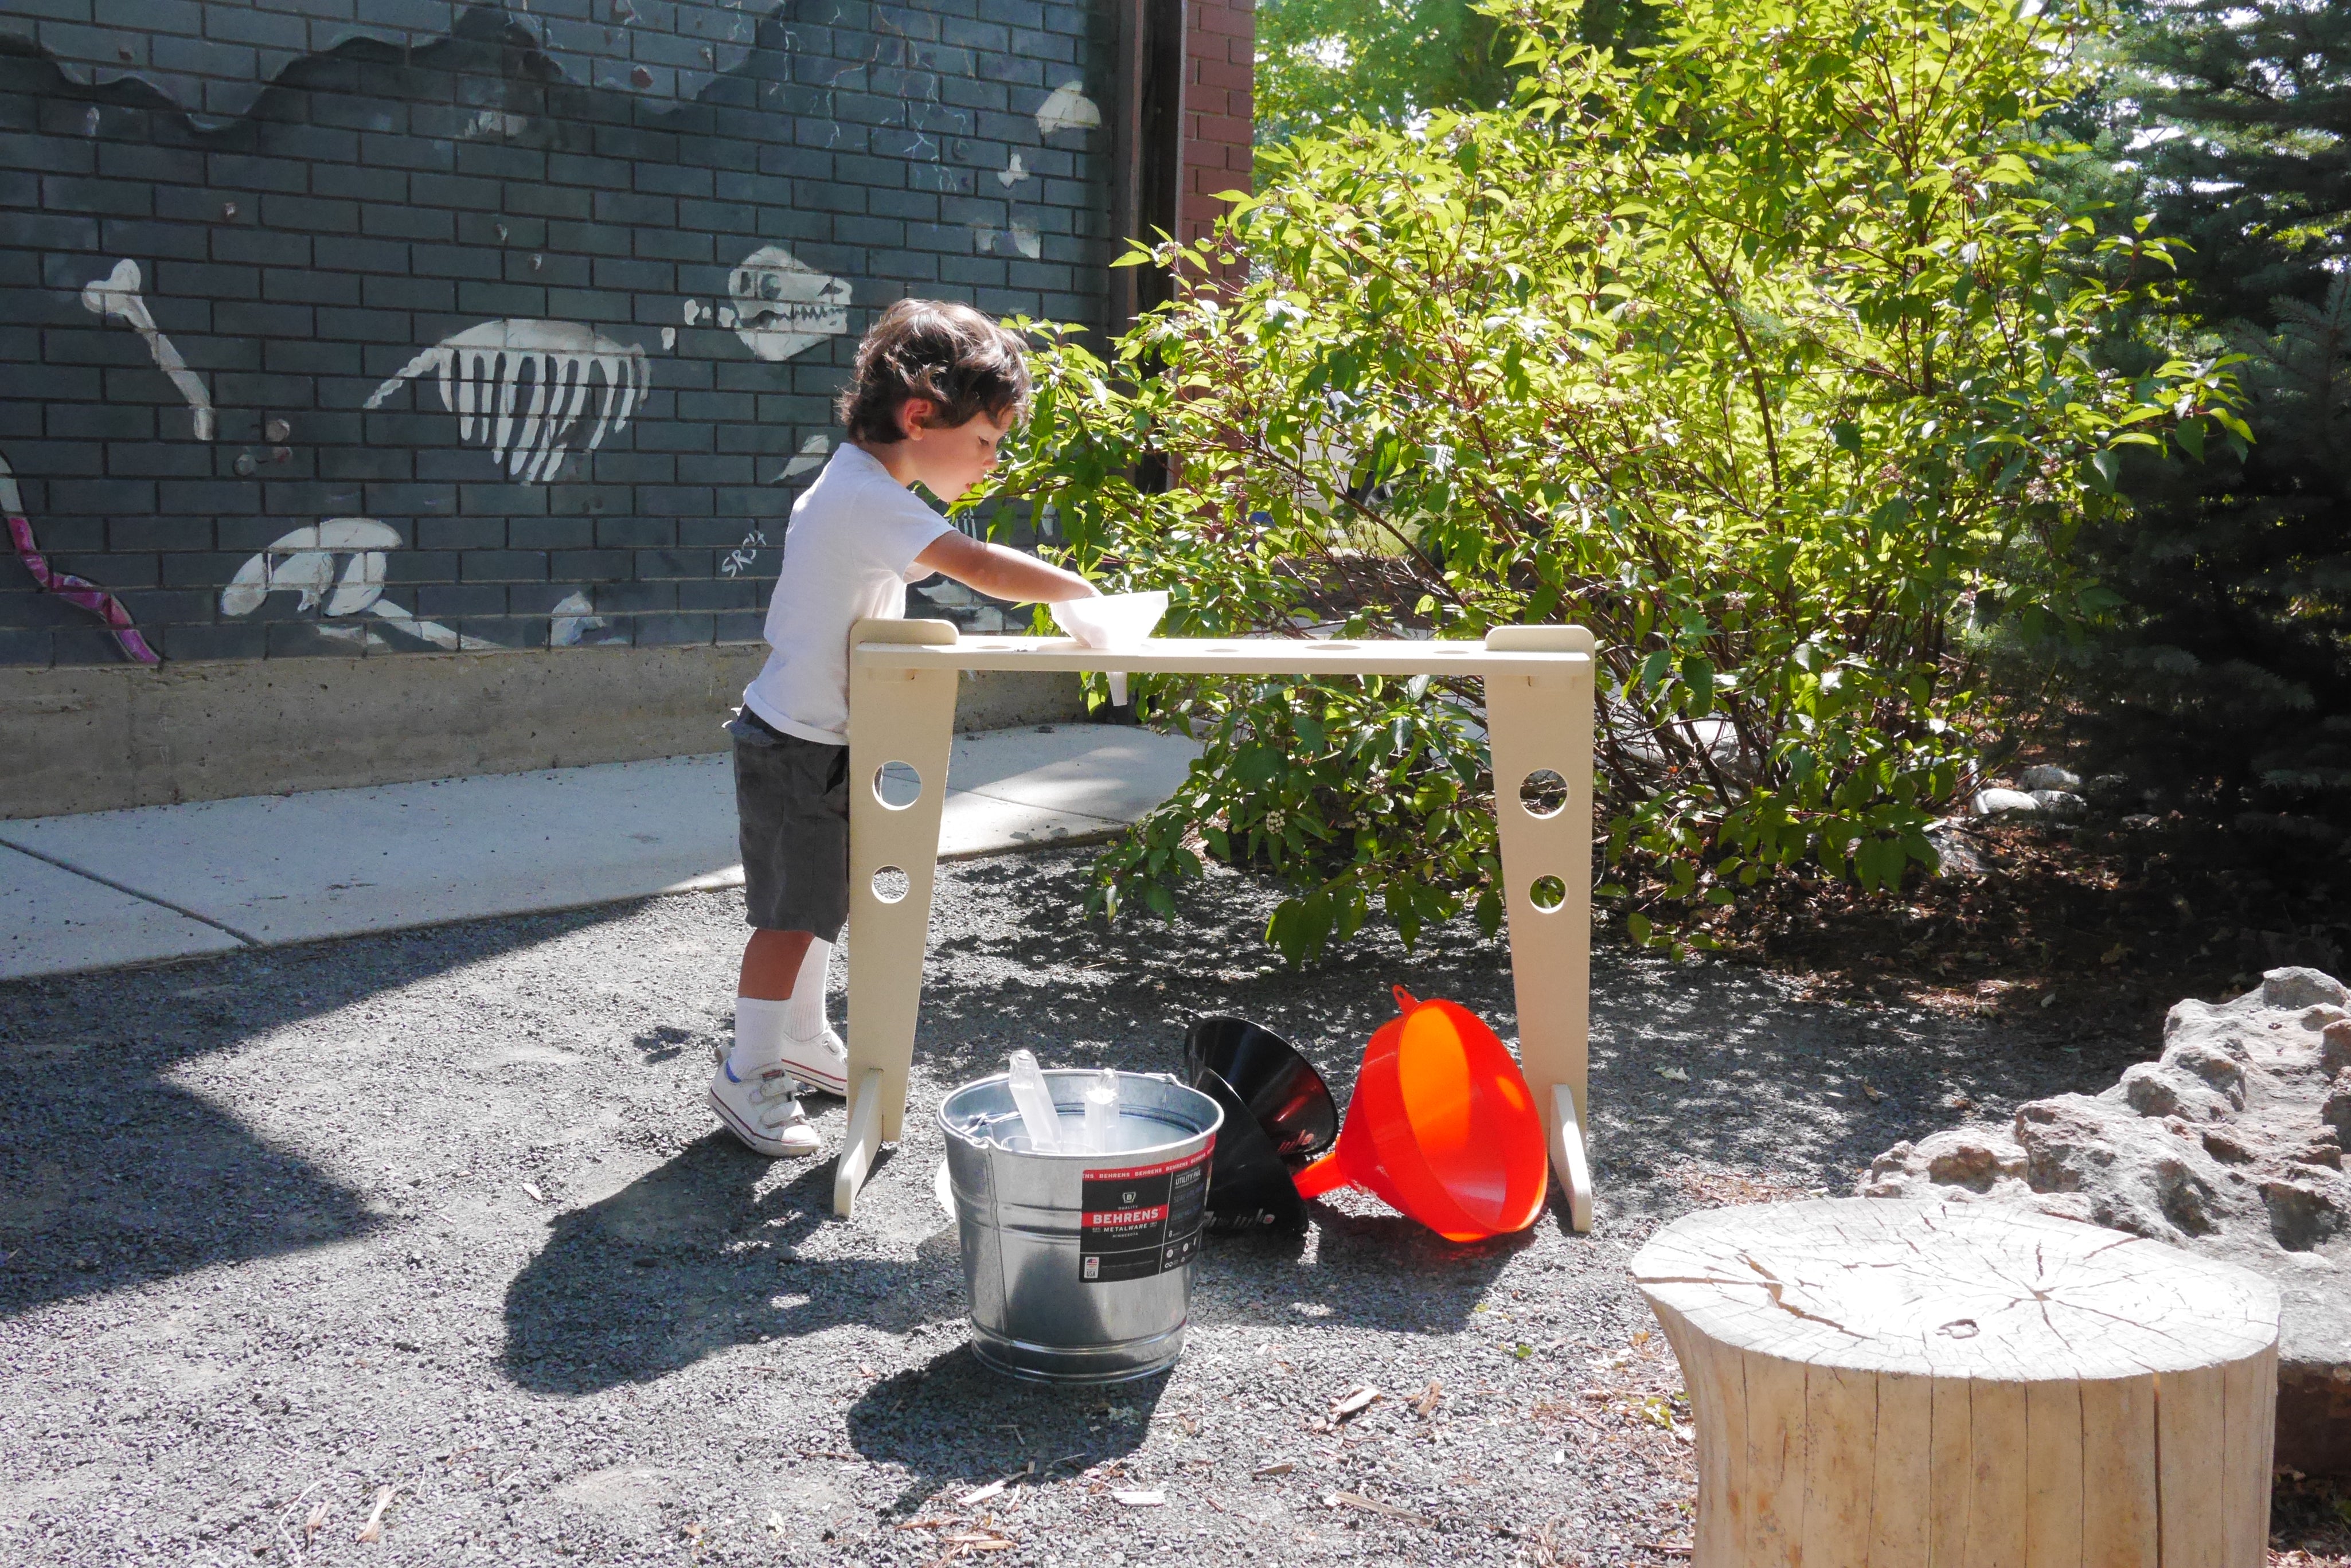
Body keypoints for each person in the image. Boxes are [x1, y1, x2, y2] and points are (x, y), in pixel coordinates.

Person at [710, 298, 1099, 1157]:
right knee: (787, 918)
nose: (993, 463)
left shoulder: (865, 487)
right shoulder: (864, 497)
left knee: (819, 905)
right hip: (796, 744)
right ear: (920, 415)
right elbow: (980, 565)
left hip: (821, 736)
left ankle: (803, 1040)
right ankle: (746, 1071)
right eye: (988, 442)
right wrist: (1082, 595)